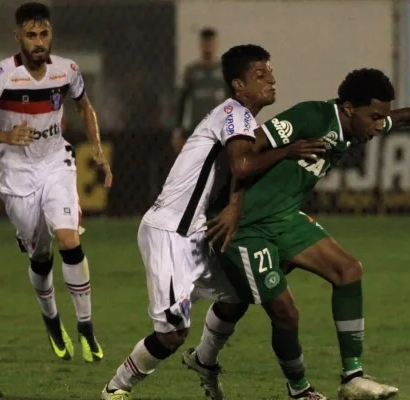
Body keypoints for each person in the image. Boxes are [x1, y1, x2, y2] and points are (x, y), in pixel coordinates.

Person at [182, 68, 410, 400]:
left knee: (347, 270)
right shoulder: (310, 116)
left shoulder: (356, 127)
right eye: (373, 117)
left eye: (380, 117)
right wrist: (229, 203)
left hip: (284, 219)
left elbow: (400, 118)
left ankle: (352, 377)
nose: (378, 125)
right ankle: (299, 391)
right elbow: (244, 151)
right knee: (281, 310)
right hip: (244, 226)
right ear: (347, 109)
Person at [100, 44, 326, 400]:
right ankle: (116, 388)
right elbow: (242, 167)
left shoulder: (243, 120)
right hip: (171, 232)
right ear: (239, 85)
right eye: (261, 75)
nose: (272, 79)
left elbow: (240, 176)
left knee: (239, 295)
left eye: (271, 72)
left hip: (199, 233)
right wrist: (289, 150)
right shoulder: (235, 115)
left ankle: (204, 361)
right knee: (172, 335)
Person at [0, 2, 111, 363]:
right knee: (40, 256)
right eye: (31, 35)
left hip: (55, 163)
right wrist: (5, 137)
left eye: (44, 34)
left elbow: (84, 106)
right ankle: (51, 320)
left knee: (68, 237)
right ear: (18, 37)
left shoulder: (66, 71)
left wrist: (96, 148)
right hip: (16, 176)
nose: (38, 42)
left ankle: (87, 327)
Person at [172, 27, 229, 154]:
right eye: (205, 43)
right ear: (200, 45)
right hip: (198, 128)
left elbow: (234, 100)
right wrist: (178, 130)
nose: (208, 46)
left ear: (216, 44)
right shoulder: (192, 71)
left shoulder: (224, 71)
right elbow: (182, 101)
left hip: (220, 129)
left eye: (211, 43)